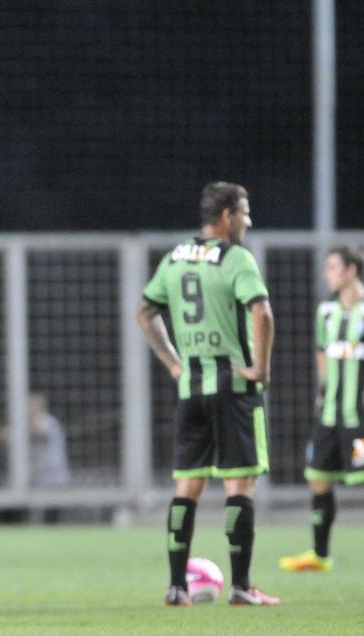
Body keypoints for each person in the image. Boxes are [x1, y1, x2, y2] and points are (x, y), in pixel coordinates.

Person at [136, 182, 279, 607]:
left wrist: (173, 362)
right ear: (227, 216)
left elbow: (144, 311)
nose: (249, 221)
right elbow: (262, 312)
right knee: (240, 485)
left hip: (190, 389)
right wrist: (261, 369)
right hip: (233, 387)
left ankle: (176, 587)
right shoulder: (236, 258)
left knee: (187, 487)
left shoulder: (175, 258)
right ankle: (242, 586)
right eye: (245, 212)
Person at [279, 247, 364, 575]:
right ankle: (320, 554)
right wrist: (323, 389)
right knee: (318, 479)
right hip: (330, 415)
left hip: (363, 416)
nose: (327, 274)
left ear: (351, 270)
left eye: (332, 267)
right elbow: (321, 351)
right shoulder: (326, 312)